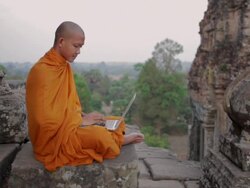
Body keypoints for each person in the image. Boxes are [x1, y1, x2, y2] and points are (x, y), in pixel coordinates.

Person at [26, 21, 144, 171]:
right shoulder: (41, 71)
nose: (78, 51)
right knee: (99, 136)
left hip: (70, 126)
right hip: (54, 140)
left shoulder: (64, 67)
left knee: (116, 122)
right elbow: (44, 121)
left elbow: (67, 107)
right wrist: (81, 122)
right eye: (76, 46)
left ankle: (115, 138)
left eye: (80, 47)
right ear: (61, 42)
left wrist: (84, 116)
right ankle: (117, 141)